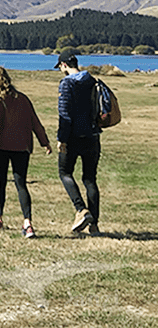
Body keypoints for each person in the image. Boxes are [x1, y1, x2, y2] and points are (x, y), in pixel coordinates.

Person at [0, 66, 52, 238]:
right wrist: (45, 142)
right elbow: (35, 122)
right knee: (21, 184)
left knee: (0, 182)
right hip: (21, 146)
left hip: (0, 145)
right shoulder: (22, 99)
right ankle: (27, 223)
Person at [56, 54, 101, 235]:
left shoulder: (67, 83)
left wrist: (62, 139)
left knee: (64, 172)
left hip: (73, 136)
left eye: (60, 66)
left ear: (64, 64)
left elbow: (64, 114)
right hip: (92, 135)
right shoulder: (91, 80)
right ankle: (94, 225)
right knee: (90, 179)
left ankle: (81, 209)